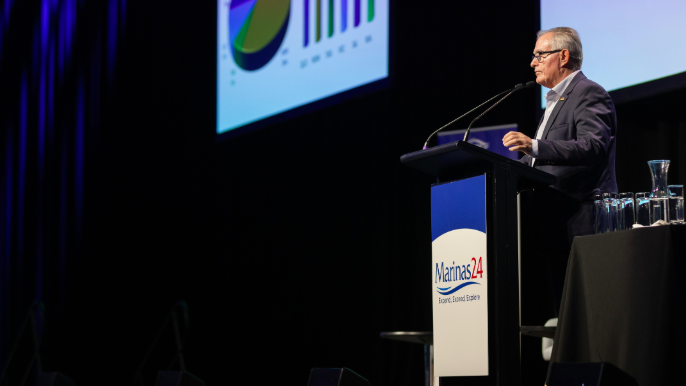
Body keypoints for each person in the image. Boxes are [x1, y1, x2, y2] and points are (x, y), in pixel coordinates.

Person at [502, 27, 617, 312]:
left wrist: (535, 146)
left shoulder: (588, 92)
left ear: (563, 56)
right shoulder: (553, 104)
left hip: (584, 225)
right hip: (555, 226)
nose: (533, 63)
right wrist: (502, 171)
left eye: (539, 55)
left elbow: (594, 146)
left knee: (590, 314)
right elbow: (537, 162)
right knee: (568, 316)